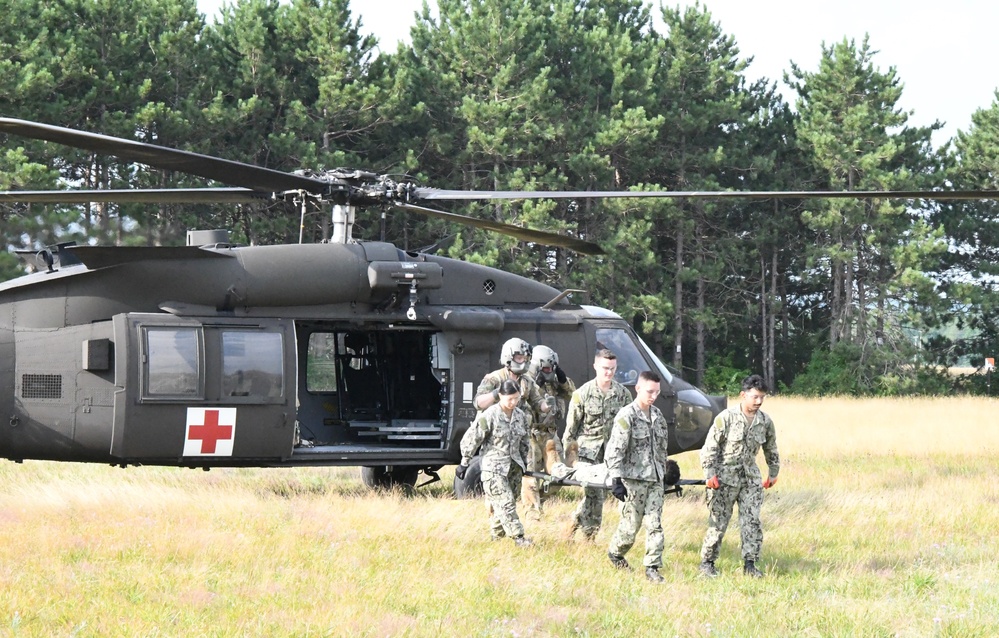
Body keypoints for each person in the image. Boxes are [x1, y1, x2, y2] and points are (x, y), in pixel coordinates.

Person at [698, 374, 781, 578]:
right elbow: (709, 447)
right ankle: (707, 563)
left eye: (762, 397)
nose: (759, 401)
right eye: (754, 397)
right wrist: (710, 474)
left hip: (750, 480)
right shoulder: (725, 418)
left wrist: (773, 473)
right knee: (718, 522)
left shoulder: (765, 421)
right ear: (743, 395)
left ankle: (750, 565)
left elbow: (771, 448)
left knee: (751, 521)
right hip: (724, 479)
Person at [605, 370, 672, 583]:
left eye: (657, 392)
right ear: (638, 389)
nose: (653, 396)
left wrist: (665, 471)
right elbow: (615, 449)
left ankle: (652, 567)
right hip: (632, 481)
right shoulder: (627, 416)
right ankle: (616, 553)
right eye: (649, 391)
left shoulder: (658, 417)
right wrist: (616, 479)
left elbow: (662, 449)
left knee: (655, 524)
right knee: (630, 526)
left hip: (654, 480)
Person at [561, 348, 632, 540]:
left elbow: (629, 425)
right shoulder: (581, 394)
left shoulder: (623, 395)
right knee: (596, 495)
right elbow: (570, 431)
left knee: (595, 496)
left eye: (612, 368)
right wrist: (571, 460)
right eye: (605, 368)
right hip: (587, 455)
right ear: (595, 367)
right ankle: (589, 538)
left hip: (612, 454)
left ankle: (574, 523)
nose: (608, 372)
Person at [456, 380, 532, 547]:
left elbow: (525, 441)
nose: (513, 402)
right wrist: (464, 462)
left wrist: (525, 463)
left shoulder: (521, 416)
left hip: (513, 468)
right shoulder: (490, 415)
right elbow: (471, 438)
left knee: (503, 503)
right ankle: (519, 538)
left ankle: (496, 538)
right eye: (510, 398)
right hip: (493, 469)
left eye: (516, 398)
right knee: (506, 502)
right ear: (500, 396)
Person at [521, 344, 575, 518]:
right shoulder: (525, 381)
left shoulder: (554, 382)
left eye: (552, 367)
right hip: (532, 434)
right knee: (530, 475)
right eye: (545, 368)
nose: (549, 371)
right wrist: (535, 386)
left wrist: (562, 379)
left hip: (550, 434)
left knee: (560, 475)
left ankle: (539, 500)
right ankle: (532, 513)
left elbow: (573, 394)